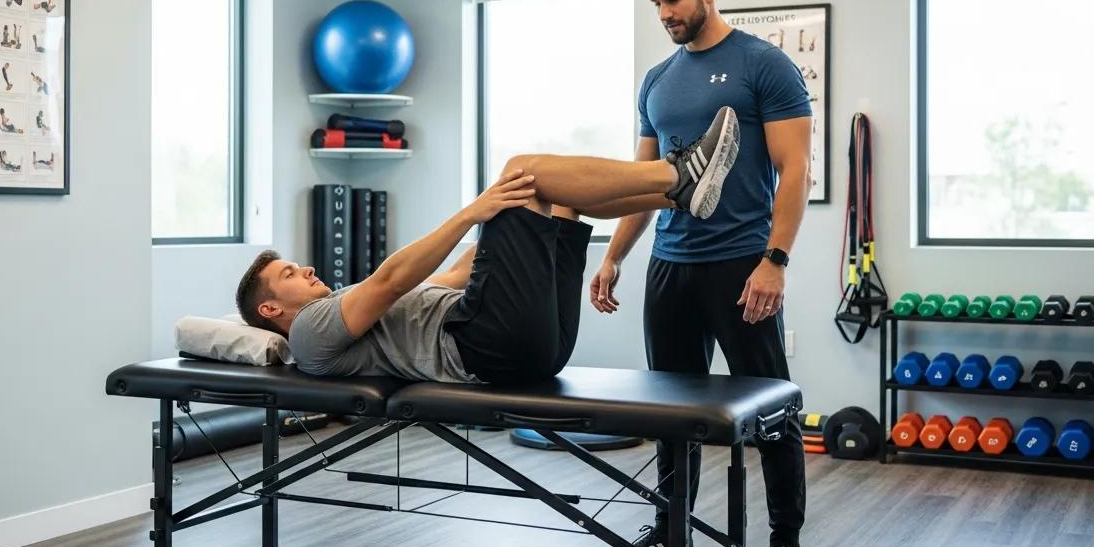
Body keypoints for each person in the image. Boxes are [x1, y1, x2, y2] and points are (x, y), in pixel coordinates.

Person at [590, 0, 813, 547]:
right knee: (671, 411)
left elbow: (796, 170)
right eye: (656, 2)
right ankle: (672, 536)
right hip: (671, 263)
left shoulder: (762, 65)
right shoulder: (657, 81)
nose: (664, 12)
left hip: (741, 265)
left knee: (771, 410)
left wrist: (776, 260)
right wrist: (614, 256)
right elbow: (644, 183)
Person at [235, 106, 739, 385]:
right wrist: (473, 213)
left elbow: (455, 277)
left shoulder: (351, 313)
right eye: (289, 274)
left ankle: (678, 198)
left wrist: (502, 225)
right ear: (270, 308)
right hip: (484, 347)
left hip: (528, 347)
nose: (306, 270)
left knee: (558, 199)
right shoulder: (308, 331)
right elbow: (391, 281)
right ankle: (674, 174)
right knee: (524, 170)